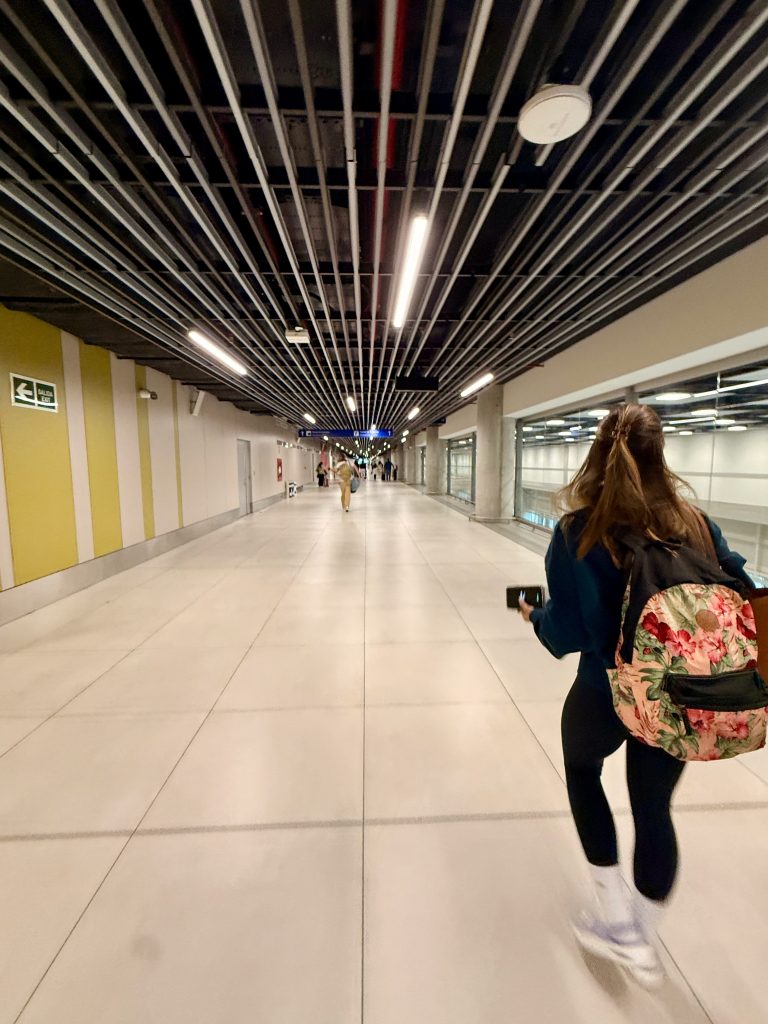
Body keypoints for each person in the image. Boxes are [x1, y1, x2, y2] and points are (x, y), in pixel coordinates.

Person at [518, 403, 753, 988]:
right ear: (662, 453)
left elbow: (570, 630)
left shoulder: (580, 530)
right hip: (677, 697)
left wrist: (535, 617)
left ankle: (613, 910)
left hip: (604, 690)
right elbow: (741, 591)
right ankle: (640, 938)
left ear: (598, 454)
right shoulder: (695, 522)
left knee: (581, 771)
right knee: (654, 810)